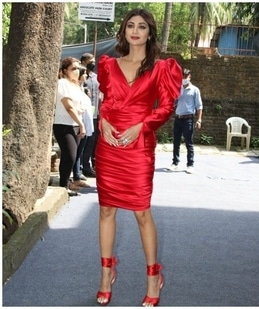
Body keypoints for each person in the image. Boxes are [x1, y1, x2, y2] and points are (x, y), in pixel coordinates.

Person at [95, 9, 182, 307]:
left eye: (141, 26)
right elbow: (107, 102)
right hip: (109, 144)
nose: (135, 30)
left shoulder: (162, 69)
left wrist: (141, 126)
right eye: (130, 25)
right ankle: (106, 276)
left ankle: (153, 278)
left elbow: (166, 108)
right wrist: (102, 121)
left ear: (149, 33)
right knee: (106, 210)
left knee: (141, 212)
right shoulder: (109, 65)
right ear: (123, 31)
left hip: (138, 145)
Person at [53, 57, 87, 197]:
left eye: (78, 68)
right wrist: (81, 124)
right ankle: (63, 185)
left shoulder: (76, 86)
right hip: (63, 124)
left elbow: (80, 106)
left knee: (72, 156)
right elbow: (69, 107)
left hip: (74, 124)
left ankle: (66, 185)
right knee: (70, 156)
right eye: (73, 68)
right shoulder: (62, 83)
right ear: (65, 70)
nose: (77, 71)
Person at [166, 69, 203, 174]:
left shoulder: (195, 90)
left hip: (188, 119)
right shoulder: (178, 89)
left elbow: (199, 106)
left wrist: (199, 119)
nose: (184, 79)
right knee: (176, 141)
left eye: (186, 77)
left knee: (189, 142)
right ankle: (175, 163)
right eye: (182, 77)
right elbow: (173, 102)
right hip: (178, 118)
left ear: (190, 77)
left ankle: (190, 164)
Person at [70, 68, 94, 189]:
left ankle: (77, 177)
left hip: (85, 124)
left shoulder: (82, 88)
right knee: (75, 152)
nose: (86, 75)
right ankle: (74, 178)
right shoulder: (73, 89)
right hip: (79, 124)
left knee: (79, 152)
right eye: (83, 73)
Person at [81, 53, 102, 177]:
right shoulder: (81, 76)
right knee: (84, 141)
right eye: (90, 61)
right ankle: (82, 166)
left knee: (93, 141)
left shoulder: (96, 77)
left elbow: (100, 93)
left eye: (94, 61)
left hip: (95, 113)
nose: (93, 63)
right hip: (84, 113)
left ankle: (91, 165)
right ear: (83, 61)